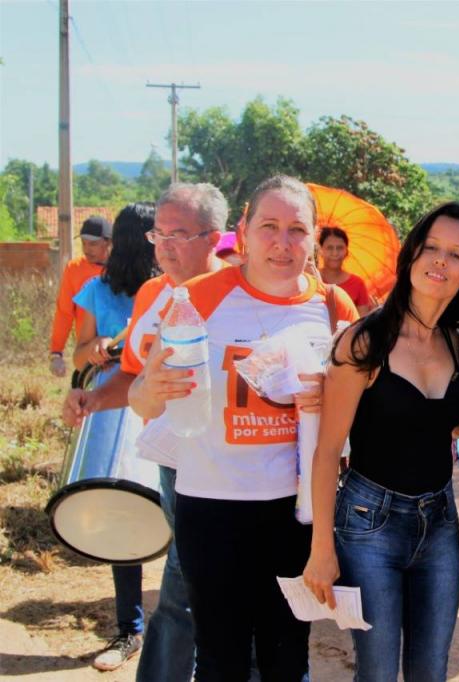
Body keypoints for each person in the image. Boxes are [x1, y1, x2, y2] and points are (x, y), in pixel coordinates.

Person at [128, 175, 358, 681]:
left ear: (313, 238)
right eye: (268, 226)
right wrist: (152, 389)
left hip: (296, 512)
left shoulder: (333, 307)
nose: (282, 242)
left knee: (286, 657)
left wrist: (329, 400)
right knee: (220, 659)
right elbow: (140, 396)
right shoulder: (195, 299)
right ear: (244, 231)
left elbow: (353, 416)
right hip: (210, 507)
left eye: (297, 229)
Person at [303, 202, 459, 681]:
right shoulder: (365, 342)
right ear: (411, 255)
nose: (440, 260)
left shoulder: (457, 342)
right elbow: (327, 452)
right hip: (369, 524)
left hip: (440, 523)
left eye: (456, 255)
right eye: (430, 247)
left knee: (431, 670)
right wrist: (321, 548)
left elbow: (445, 422)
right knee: (378, 671)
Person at [62, 182, 229, 682]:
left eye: (179, 234)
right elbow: (133, 375)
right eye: (159, 234)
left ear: (213, 237)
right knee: (181, 593)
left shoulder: (240, 291)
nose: (164, 246)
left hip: (232, 472)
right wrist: (93, 398)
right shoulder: (153, 295)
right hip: (174, 467)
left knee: (196, 592)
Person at [69, 203, 158, 671]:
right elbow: (79, 353)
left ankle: (194, 630)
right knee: (125, 518)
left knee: (184, 520)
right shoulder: (95, 291)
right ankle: (130, 629)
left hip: (163, 413)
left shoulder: (172, 290)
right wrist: (97, 349)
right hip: (113, 413)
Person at [49, 215, 111, 377]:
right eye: (84, 243)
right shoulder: (74, 269)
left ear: (108, 242)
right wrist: (56, 353)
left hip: (117, 352)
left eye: (93, 244)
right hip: (87, 355)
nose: (87, 249)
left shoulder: (121, 269)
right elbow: (64, 312)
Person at [317, 226, 373, 315]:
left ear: (346, 251)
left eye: (340, 248)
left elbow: (362, 320)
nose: (335, 253)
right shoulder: (312, 279)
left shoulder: (358, 284)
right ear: (321, 250)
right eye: (329, 248)